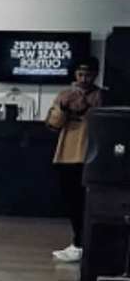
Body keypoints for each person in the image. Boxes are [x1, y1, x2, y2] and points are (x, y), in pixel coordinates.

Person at [52, 55, 101, 262]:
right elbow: (53, 125)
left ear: (95, 75)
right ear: (75, 74)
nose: (84, 78)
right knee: (72, 202)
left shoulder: (102, 96)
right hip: (67, 154)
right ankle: (77, 243)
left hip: (93, 155)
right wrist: (64, 107)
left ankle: (85, 244)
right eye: (80, 74)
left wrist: (86, 106)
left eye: (88, 74)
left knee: (90, 203)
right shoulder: (64, 95)